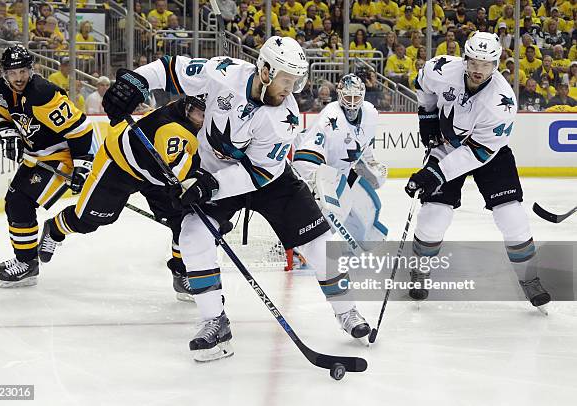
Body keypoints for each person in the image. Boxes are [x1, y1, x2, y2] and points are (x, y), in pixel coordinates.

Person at [101, 36, 372, 361]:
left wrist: (208, 186)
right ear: (267, 70)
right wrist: (135, 81)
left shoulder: (283, 117)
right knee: (192, 236)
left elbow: (258, 173)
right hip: (213, 171)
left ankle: (347, 311)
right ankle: (214, 322)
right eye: (287, 78)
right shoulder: (223, 72)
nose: (292, 88)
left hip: (267, 179)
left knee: (318, 241)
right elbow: (170, 69)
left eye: (297, 80)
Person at [406, 31, 551, 311]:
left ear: (496, 65)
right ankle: (420, 270)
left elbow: (478, 152)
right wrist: (427, 116)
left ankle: (529, 278)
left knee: (512, 216)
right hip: (448, 145)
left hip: (489, 152)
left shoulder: (501, 102)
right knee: (433, 217)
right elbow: (422, 82)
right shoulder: (442, 69)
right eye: (473, 61)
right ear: (465, 58)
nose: (477, 69)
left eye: (485, 64)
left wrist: (434, 174)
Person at [38, 95, 206, 302]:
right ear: (187, 107)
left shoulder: (195, 121)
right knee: (89, 220)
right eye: (198, 112)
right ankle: (54, 229)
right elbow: (176, 172)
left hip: (154, 172)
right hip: (119, 165)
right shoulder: (174, 129)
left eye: (206, 113)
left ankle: (181, 273)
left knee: (184, 220)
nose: (202, 117)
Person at [0, 45, 93, 287]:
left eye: (23, 71)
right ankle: (27, 260)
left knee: (21, 202)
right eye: (13, 73)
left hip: (62, 157)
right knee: (13, 201)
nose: (19, 78)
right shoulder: (1, 90)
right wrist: (9, 135)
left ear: (31, 69)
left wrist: (82, 165)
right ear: (5, 74)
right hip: (36, 157)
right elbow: (2, 117)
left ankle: (27, 263)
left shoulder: (43, 94)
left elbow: (80, 129)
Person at [293, 74, 388, 247]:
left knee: (369, 206)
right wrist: (316, 182)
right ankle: (302, 247)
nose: (352, 102)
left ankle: (367, 242)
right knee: (335, 210)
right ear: (339, 95)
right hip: (321, 171)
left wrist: (371, 163)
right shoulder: (331, 116)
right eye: (348, 97)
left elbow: (363, 145)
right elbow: (305, 155)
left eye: (356, 97)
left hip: (341, 171)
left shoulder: (370, 114)